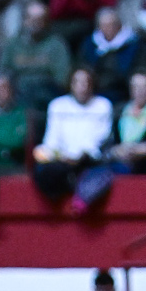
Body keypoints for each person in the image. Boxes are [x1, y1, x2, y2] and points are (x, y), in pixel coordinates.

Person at [32, 66, 113, 198]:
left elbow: (101, 137)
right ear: (70, 84)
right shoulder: (57, 105)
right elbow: (52, 138)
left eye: (86, 82)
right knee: (43, 169)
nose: (82, 87)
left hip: (89, 158)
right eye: (77, 82)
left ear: (92, 84)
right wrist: (57, 154)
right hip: (61, 159)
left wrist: (78, 156)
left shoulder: (103, 105)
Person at [0, 1, 72, 112]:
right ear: (24, 20)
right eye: (31, 18)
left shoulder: (56, 45)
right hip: (17, 96)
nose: (35, 23)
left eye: (40, 19)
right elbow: (2, 71)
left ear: (46, 22)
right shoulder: (12, 44)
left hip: (47, 95)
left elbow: (62, 77)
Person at [77, 7, 146, 105]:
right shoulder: (90, 44)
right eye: (104, 25)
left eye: (112, 24)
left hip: (124, 93)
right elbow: (83, 66)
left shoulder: (134, 44)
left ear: (119, 25)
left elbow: (142, 68)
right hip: (94, 92)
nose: (108, 29)